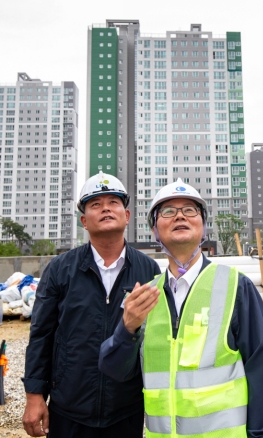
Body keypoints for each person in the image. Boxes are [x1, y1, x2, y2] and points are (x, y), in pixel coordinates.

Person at [99, 178, 263, 438]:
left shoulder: (235, 286)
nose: (179, 216)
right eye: (168, 211)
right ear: (154, 230)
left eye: (190, 210)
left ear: (203, 225)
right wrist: (126, 329)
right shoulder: (144, 296)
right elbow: (115, 370)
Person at [22, 171, 161, 438]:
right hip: (69, 408)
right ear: (84, 221)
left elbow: (154, 339)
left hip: (126, 408)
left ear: (127, 215)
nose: (106, 208)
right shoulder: (60, 269)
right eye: (96, 204)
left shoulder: (148, 269)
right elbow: (41, 335)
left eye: (113, 202)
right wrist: (34, 395)